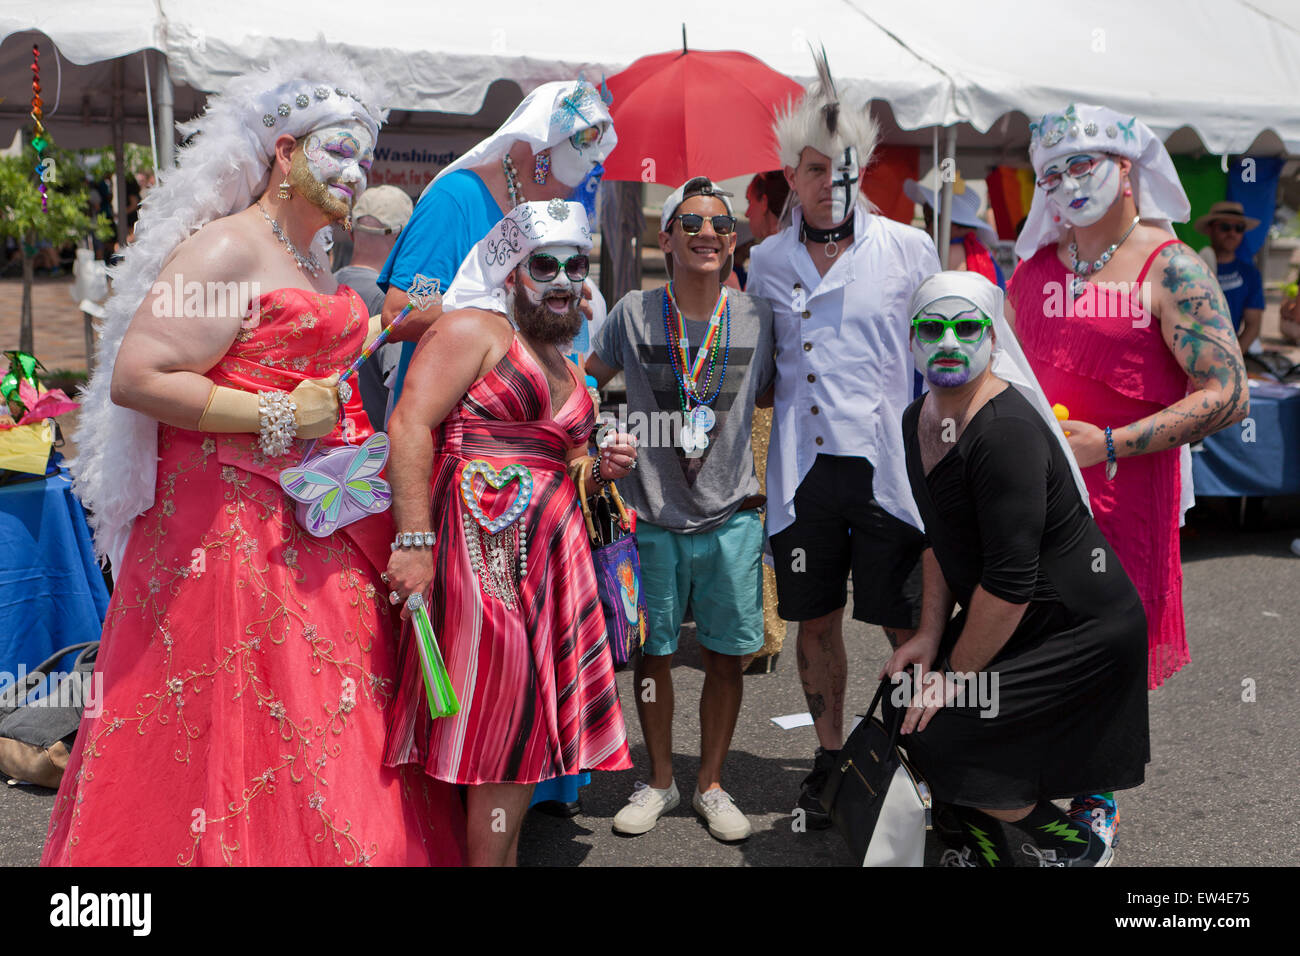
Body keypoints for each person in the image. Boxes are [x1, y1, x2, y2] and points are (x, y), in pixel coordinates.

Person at [47, 54, 465, 866]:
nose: (356, 171)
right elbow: (139, 376)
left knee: (326, 723)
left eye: (365, 157)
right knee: (239, 727)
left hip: (318, 524)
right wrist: (276, 412)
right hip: (228, 540)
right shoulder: (225, 249)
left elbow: (310, 362)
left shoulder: (313, 261)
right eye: (339, 151)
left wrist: (388, 330)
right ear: (284, 151)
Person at [1007, 102, 1249, 846]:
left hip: (1124, 500)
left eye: (1084, 164)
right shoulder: (1037, 268)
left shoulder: (1171, 266)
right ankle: (1029, 782)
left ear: (1126, 168)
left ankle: (1093, 805)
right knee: (1029, 639)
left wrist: (1109, 442)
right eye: (1052, 172)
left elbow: (1228, 392)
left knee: (1103, 654)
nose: (1068, 182)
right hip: (1033, 501)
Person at [382, 200, 636, 867]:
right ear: (511, 273)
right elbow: (408, 425)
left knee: (523, 731)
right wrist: (414, 544)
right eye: (542, 264)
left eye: (572, 265)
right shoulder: (473, 328)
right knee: (504, 717)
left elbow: (572, 461)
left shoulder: (570, 364)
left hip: (553, 567)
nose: (559, 279)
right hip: (477, 557)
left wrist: (601, 465)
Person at [883, 271, 1149, 868]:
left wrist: (952, 676)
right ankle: (984, 845)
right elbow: (940, 542)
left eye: (968, 327)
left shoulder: (1005, 434)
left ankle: (1076, 848)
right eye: (932, 328)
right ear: (912, 339)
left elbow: (1008, 585)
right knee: (905, 704)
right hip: (1020, 610)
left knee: (941, 731)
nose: (949, 341)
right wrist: (928, 637)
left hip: (1081, 627)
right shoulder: (915, 419)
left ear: (994, 339)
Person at [745, 50, 940, 827]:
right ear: (792, 176)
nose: (833, 182)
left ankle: (916, 757)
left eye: (846, 167)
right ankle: (830, 757)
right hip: (806, 472)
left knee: (907, 619)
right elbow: (757, 372)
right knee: (814, 618)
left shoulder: (908, 249)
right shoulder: (763, 261)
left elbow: (945, 356)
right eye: (817, 168)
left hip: (890, 467)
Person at [586, 177, 775, 841]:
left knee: (727, 657)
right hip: (653, 520)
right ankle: (660, 780)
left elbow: (784, 397)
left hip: (732, 519)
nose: (707, 233)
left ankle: (712, 784)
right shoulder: (633, 314)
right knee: (654, 657)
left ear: (731, 243)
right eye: (690, 222)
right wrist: (599, 438)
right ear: (663, 238)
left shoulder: (758, 318)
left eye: (721, 225)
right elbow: (584, 380)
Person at [332, 184, 414, 427]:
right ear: (403, 239)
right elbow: (400, 396)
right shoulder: (391, 304)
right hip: (370, 455)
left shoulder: (322, 288)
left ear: (352, 233)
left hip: (320, 452)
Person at [904, 175, 1005, 289]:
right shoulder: (981, 250)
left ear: (951, 223)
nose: (926, 228)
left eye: (929, 219)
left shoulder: (951, 252)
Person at [1193, 201, 1264, 355]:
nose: (1232, 233)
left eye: (1239, 228)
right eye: (1225, 227)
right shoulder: (1191, 267)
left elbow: (1253, 325)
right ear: (1210, 229)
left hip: (1228, 351)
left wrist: (1231, 361)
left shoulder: (1250, 274)